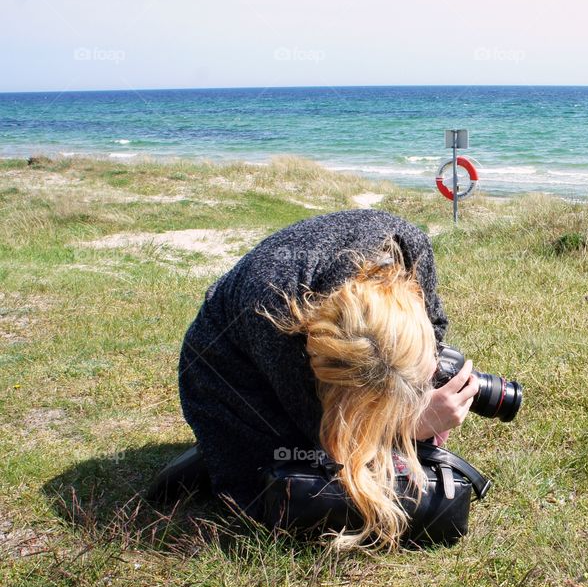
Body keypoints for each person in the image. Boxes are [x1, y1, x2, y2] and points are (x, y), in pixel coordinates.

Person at [177, 209, 480, 550]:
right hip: (231, 377)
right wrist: (411, 424)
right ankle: (221, 449)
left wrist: (425, 383)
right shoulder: (275, 313)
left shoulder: (410, 248)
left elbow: (434, 327)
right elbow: (323, 429)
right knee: (295, 491)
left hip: (307, 332)